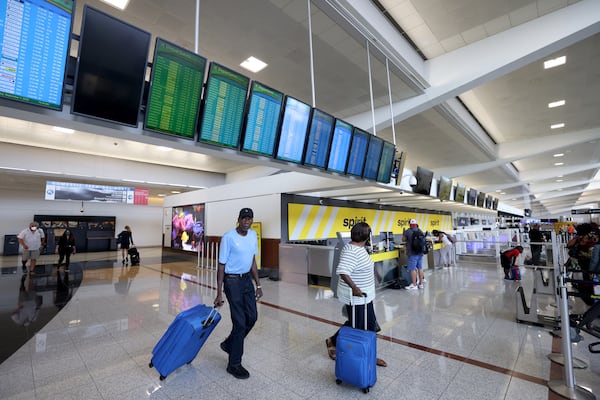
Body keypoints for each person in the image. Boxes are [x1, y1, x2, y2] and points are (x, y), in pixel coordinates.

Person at [325, 222, 387, 367]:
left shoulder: (358, 247)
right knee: (359, 326)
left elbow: (365, 263)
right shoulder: (352, 250)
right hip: (357, 297)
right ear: (367, 236)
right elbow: (343, 271)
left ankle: (365, 353)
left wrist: (375, 273)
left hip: (366, 296)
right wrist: (354, 288)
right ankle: (363, 355)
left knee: (367, 325)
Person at [214, 208, 262, 380]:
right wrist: (219, 292)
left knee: (253, 317)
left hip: (246, 280)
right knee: (240, 322)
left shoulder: (252, 235)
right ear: (239, 220)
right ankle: (234, 364)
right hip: (232, 281)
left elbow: (252, 260)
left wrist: (258, 284)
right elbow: (221, 265)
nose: (247, 221)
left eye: (249, 219)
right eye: (244, 218)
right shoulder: (228, 237)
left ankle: (229, 343)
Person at [402, 219, 425, 290]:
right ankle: (421, 284)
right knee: (420, 268)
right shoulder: (420, 230)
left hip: (412, 253)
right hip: (420, 253)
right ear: (416, 224)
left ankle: (414, 284)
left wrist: (405, 235)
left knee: (412, 269)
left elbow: (403, 240)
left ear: (409, 224)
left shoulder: (408, 231)